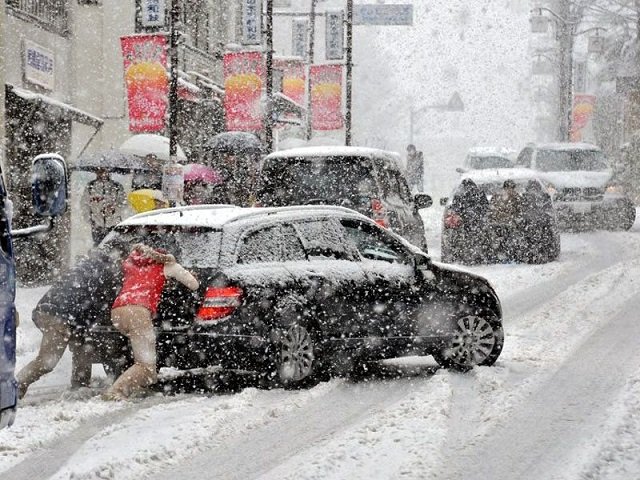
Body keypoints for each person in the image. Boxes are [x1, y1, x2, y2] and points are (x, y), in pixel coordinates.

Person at [16, 248, 123, 399]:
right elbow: (99, 307)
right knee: (47, 362)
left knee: (83, 344)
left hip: (47, 310)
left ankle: (80, 386)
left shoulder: (90, 264)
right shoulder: (107, 273)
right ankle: (14, 387)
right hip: (58, 316)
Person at [102, 243, 199, 400]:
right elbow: (194, 285)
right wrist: (178, 272)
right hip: (138, 312)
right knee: (146, 368)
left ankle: (136, 388)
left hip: (118, 311)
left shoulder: (130, 262)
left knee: (142, 363)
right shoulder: (167, 265)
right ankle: (115, 392)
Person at [81, 168, 127, 245]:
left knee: (114, 246)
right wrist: (90, 219)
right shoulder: (90, 186)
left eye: (105, 171)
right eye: (100, 171)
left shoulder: (117, 186)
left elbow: (123, 203)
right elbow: (85, 204)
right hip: (97, 224)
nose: (103, 174)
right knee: (98, 246)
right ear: (96, 172)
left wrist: (114, 208)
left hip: (113, 223)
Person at [450, 178, 490, 263]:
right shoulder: (479, 193)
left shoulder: (459, 195)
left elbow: (455, 207)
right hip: (477, 221)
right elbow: (486, 207)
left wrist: (462, 215)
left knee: (465, 239)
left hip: (465, 222)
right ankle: (477, 256)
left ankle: (466, 256)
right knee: (478, 239)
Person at [489, 179, 525, 261]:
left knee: (509, 240)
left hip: (509, 224)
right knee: (500, 240)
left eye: (511, 188)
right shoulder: (497, 197)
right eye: (508, 188)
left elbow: (520, 211)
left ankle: (508, 255)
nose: (510, 190)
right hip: (499, 224)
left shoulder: (516, 198)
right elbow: (491, 210)